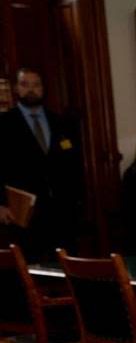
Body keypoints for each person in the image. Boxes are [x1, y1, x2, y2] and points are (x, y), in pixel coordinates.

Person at [0, 67, 85, 260]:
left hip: (63, 212)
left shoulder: (60, 122)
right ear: (16, 88)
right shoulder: (4, 124)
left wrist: (78, 203)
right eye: (25, 84)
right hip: (24, 214)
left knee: (68, 269)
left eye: (36, 85)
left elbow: (74, 166)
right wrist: (1, 205)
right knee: (32, 272)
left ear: (43, 89)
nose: (31, 89)